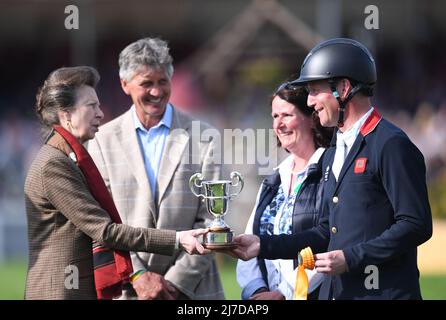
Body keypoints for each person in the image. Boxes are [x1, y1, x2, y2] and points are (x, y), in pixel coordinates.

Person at [229, 38, 433, 300]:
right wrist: (263, 245)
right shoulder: (334, 151)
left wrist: (351, 258)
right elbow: (326, 231)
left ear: (344, 88)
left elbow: (416, 224)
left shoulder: (390, 143)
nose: (311, 102)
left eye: (315, 91)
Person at [24, 66, 209, 300]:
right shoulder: (55, 165)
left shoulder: (68, 159)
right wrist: (177, 239)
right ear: (66, 114)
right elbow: (105, 231)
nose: (101, 114)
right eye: (91, 106)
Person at [88, 37, 224, 300]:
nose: (156, 91)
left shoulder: (204, 136)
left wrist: (174, 282)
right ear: (124, 84)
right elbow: (99, 221)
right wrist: (139, 275)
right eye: (146, 83)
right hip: (129, 290)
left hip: (193, 292)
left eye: (163, 82)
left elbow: (214, 220)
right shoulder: (101, 141)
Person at [236, 84, 332, 300]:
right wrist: (258, 291)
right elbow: (251, 242)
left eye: (287, 115)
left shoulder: (331, 170)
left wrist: (283, 293)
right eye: (275, 116)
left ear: (311, 117)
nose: (278, 124)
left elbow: (330, 241)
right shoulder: (274, 179)